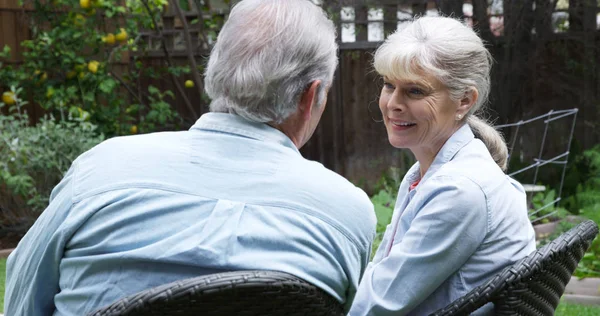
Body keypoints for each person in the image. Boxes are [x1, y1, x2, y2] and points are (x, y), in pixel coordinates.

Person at [4, 1, 376, 315]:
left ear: (216, 69)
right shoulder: (347, 213)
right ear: (312, 96)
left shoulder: (100, 171)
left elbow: (23, 298)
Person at [348, 16, 536, 316]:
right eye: (388, 85)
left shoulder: (459, 190)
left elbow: (378, 305)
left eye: (415, 91)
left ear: (464, 101)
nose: (392, 103)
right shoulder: (430, 171)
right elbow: (385, 277)